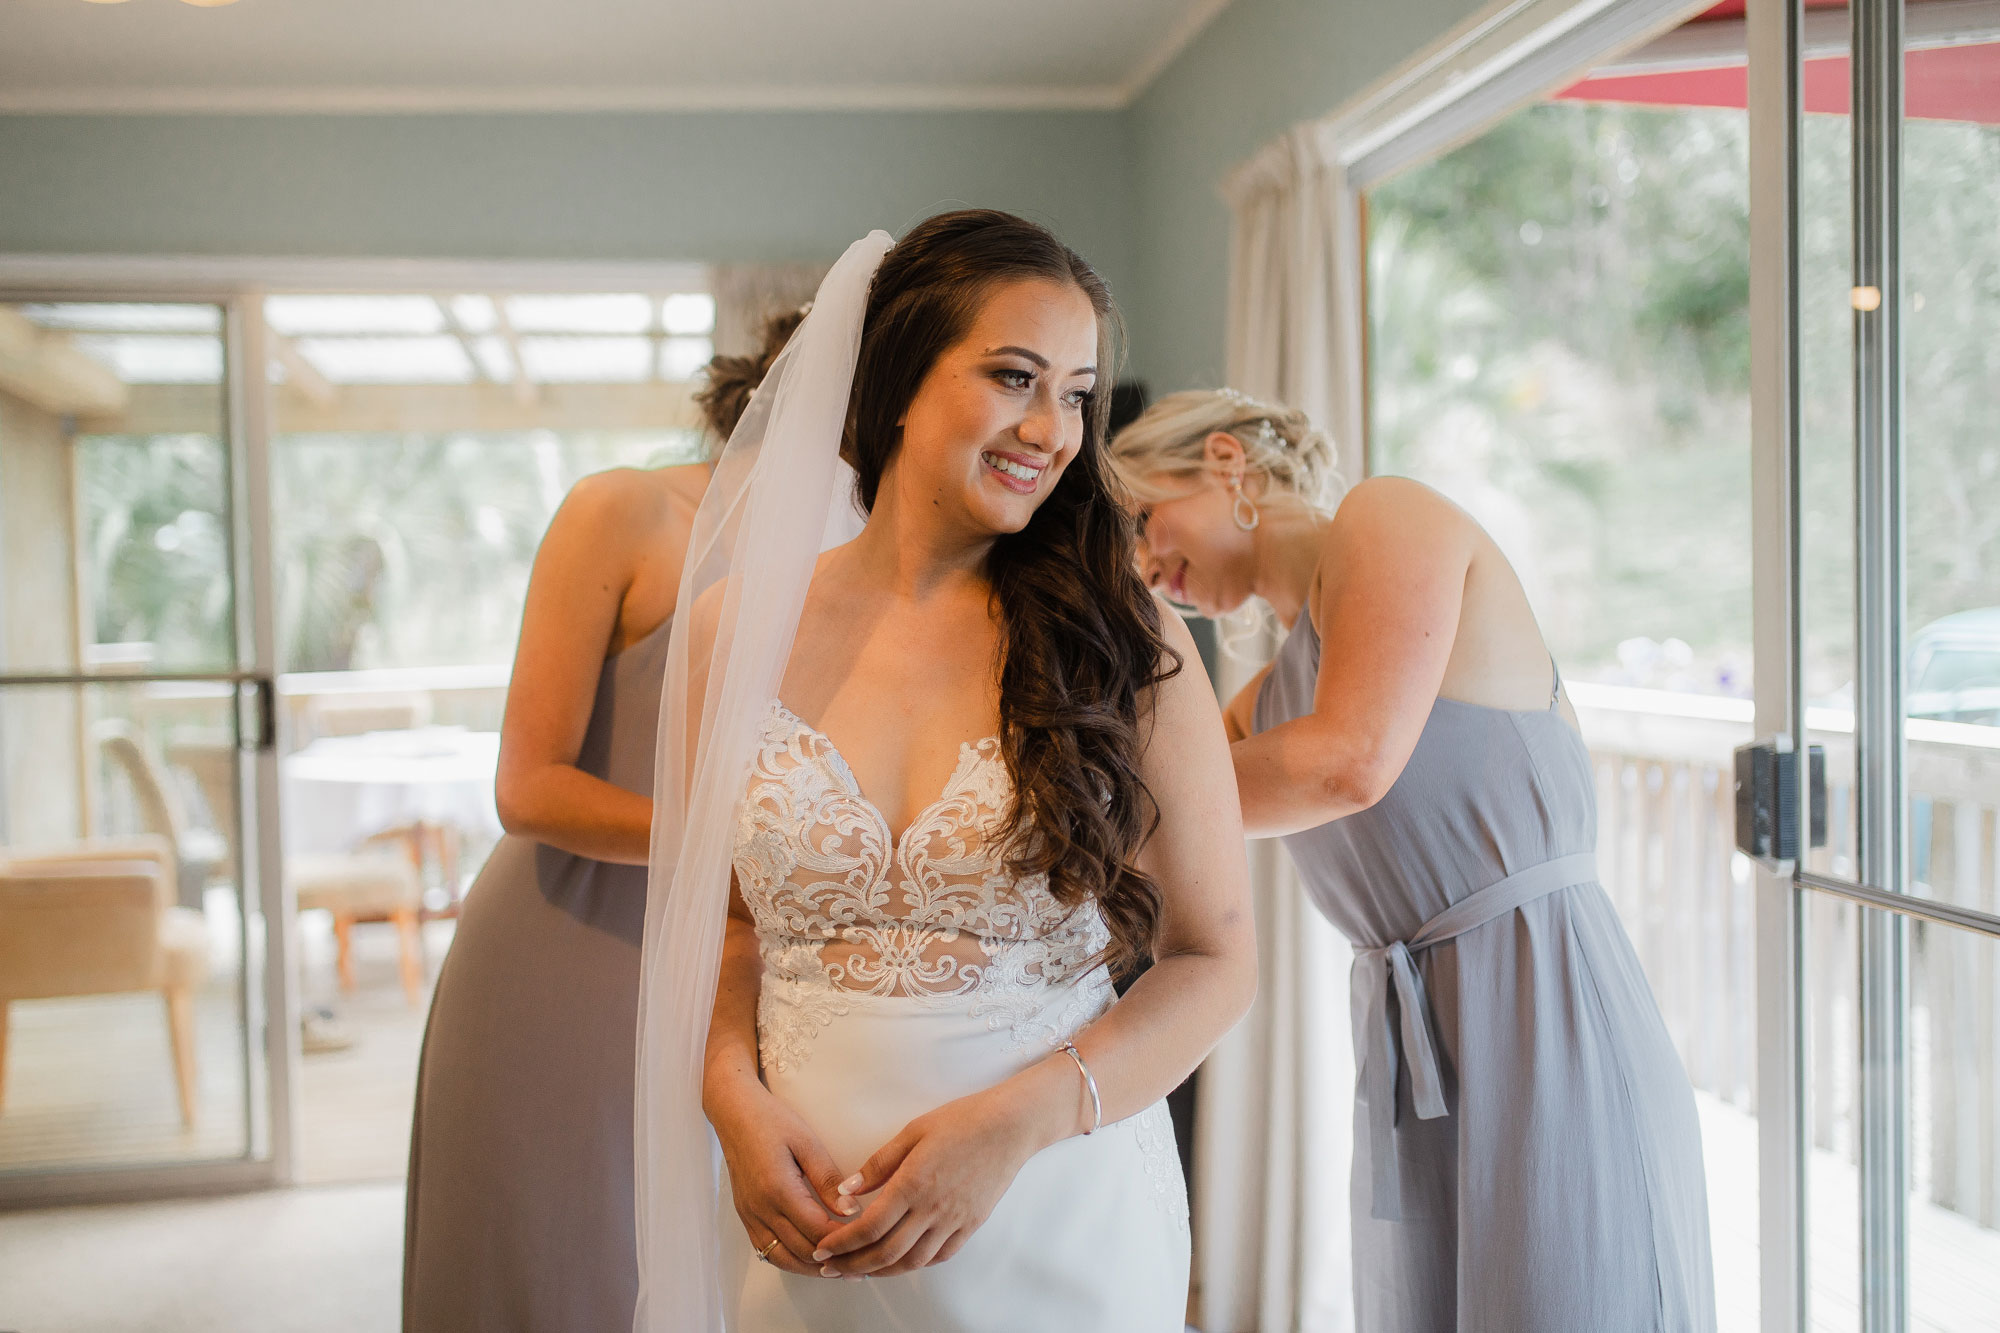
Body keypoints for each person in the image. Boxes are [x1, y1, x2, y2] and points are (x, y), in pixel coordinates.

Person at [633, 211, 1257, 1333]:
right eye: (1013, 376)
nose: (1050, 429)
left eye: (1073, 392)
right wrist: (731, 1100)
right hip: (802, 1216)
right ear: (895, 383)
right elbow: (722, 926)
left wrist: (1016, 1123)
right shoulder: (735, 630)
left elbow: (1214, 961)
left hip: (1054, 1214)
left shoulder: (1122, 638)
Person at [1109, 388, 1716, 1332]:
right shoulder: (1263, 702)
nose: (1147, 563)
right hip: (1412, 1059)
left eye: (1143, 518)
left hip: (1546, 1017)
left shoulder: (1388, 515)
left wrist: (1100, 812)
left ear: (1226, 462)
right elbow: (1164, 816)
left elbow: (1347, 762)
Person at [401, 311, 800, 1331]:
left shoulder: (859, 566)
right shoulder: (622, 512)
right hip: (571, 934)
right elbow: (527, 786)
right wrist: (722, 853)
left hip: (734, 957)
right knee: (562, 1249)